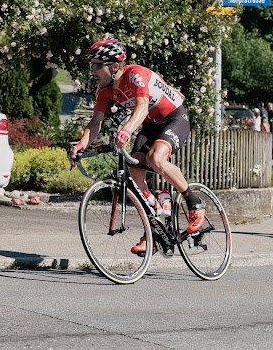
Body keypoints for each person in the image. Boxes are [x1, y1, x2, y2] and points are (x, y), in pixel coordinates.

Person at [69, 39, 206, 254]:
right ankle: (157, 219)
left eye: (97, 65)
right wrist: (80, 145)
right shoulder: (104, 91)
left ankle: (195, 203)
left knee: (156, 159)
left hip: (174, 118)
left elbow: (142, 107)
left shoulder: (135, 74)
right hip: (151, 125)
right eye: (91, 65)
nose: (92, 71)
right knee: (135, 168)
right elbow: (95, 124)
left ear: (115, 66)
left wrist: (126, 130)